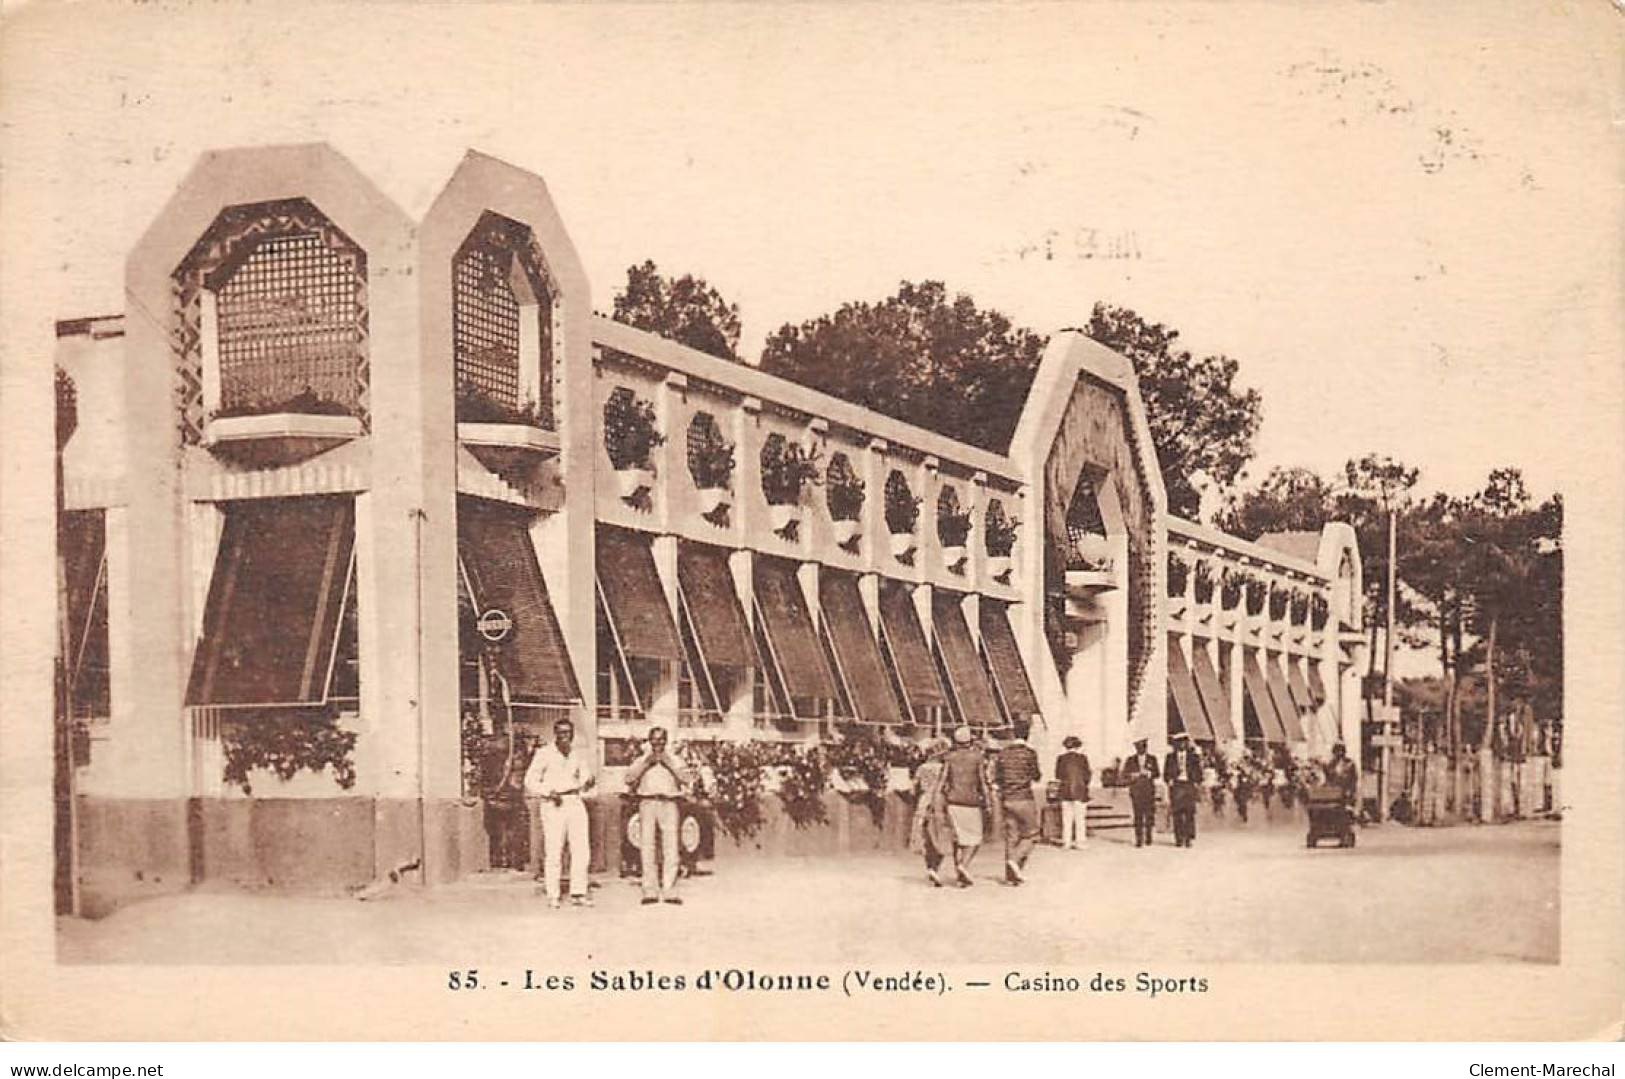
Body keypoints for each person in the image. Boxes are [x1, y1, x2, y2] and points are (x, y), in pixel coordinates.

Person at [523, 717, 596, 909]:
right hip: (553, 803)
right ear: (555, 734)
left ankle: (578, 892)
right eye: (561, 733)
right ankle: (553, 894)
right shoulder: (544, 754)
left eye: (568, 733)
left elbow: (586, 775)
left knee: (581, 849)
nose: (565, 736)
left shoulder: (577, 754)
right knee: (554, 849)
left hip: (574, 801)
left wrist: (588, 781)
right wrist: (548, 792)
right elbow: (530, 781)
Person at [624, 725, 689, 906]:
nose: (658, 743)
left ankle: (670, 889)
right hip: (647, 802)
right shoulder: (641, 759)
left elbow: (686, 779)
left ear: (666, 741)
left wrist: (668, 764)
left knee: (671, 846)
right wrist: (647, 764)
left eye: (661, 739)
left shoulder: (675, 759)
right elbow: (628, 778)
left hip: (669, 802)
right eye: (654, 739)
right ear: (649, 741)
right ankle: (649, 889)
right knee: (647, 846)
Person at [940, 726, 989, 887]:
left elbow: (943, 780)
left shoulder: (949, 757)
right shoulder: (977, 757)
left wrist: (938, 801)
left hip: (952, 800)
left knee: (958, 839)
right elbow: (982, 781)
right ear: (970, 741)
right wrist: (987, 801)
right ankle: (963, 866)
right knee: (975, 839)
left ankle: (959, 875)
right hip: (971, 801)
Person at [995, 721, 1043, 884]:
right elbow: (1036, 775)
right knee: (1033, 834)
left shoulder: (1003, 753)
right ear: (1027, 734)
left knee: (1011, 836)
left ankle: (1011, 876)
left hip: (1007, 798)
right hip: (1024, 798)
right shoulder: (1030, 753)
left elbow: (998, 777)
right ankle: (1015, 861)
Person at [908, 739, 953, 886]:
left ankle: (930, 867)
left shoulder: (922, 768)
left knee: (926, 837)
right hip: (939, 802)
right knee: (941, 836)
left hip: (923, 801)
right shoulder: (943, 768)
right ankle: (935, 868)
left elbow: (913, 788)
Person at [1163, 731, 1203, 848]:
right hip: (1177, 786)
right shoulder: (1170, 757)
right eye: (1179, 743)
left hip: (1189, 785)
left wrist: (1196, 781)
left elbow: (1199, 772)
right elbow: (1165, 773)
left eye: (1184, 742)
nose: (1181, 745)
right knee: (1177, 813)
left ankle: (1188, 838)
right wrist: (1169, 780)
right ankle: (1179, 838)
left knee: (1189, 813)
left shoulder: (1193, 757)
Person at [1053, 735, 1092, 850]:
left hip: (1065, 791)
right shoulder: (1083, 758)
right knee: (1080, 818)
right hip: (1080, 791)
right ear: (1078, 746)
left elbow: (1058, 775)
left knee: (1066, 818)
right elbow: (1087, 776)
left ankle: (1067, 842)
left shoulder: (1060, 759)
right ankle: (1080, 842)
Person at [1121, 737, 1160, 848]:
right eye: (1138, 747)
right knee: (1138, 815)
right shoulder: (1131, 759)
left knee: (1149, 815)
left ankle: (1148, 837)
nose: (1141, 749)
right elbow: (1125, 774)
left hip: (1148, 791)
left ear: (1146, 748)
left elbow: (1157, 773)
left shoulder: (1152, 759)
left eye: (1143, 747)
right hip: (1136, 791)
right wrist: (1133, 775)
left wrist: (1149, 773)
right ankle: (1139, 838)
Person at [1325, 742, 1359, 809]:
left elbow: (1354, 779)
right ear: (1334, 752)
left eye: (1341, 750)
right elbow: (1329, 778)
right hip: (1335, 794)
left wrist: (1351, 791)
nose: (1340, 753)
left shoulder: (1350, 763)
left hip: (1346, 792)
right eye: (1337, 751)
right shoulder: (1331, 764)